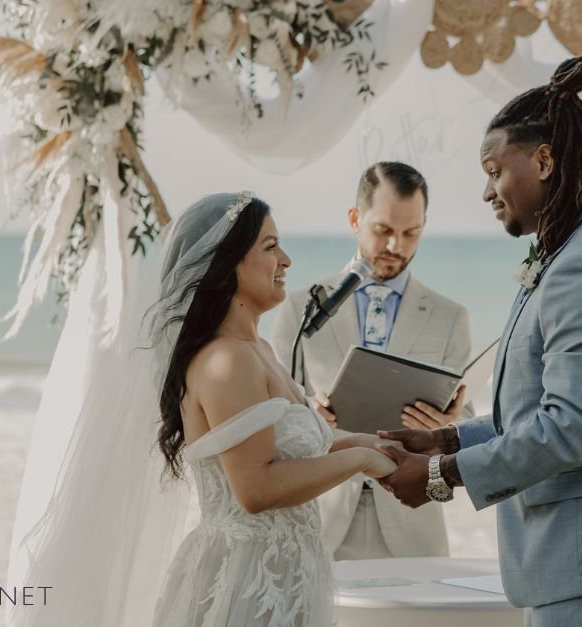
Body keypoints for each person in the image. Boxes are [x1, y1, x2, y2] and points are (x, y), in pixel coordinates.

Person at [377, 56, 582, 627]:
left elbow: (569, 428)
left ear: (542, 161)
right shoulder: (567, 251)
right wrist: (445, 439)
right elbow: (533, 409)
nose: (486, 192)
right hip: (574, 552)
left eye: (494, 170)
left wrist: (442, 476)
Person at [149, 193, 400, 626]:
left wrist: (383, 445)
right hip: (245, 581)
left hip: (290, 575)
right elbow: (256, 489)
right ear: (226, 264)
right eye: (270, 247)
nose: (286, 260)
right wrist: (362, 460)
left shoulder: (260, 349)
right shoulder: (227, 360)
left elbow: (298, 451)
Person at [269, 161, 474, 560]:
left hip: (412, 523)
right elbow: (272, 414)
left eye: (411, 232)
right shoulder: (299, 307)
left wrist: (446, 426)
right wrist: (308, 413)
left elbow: (466, 424)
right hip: (317, 516)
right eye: (383, 230)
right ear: (354, 219)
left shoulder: (452, 317)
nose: (396, 246)